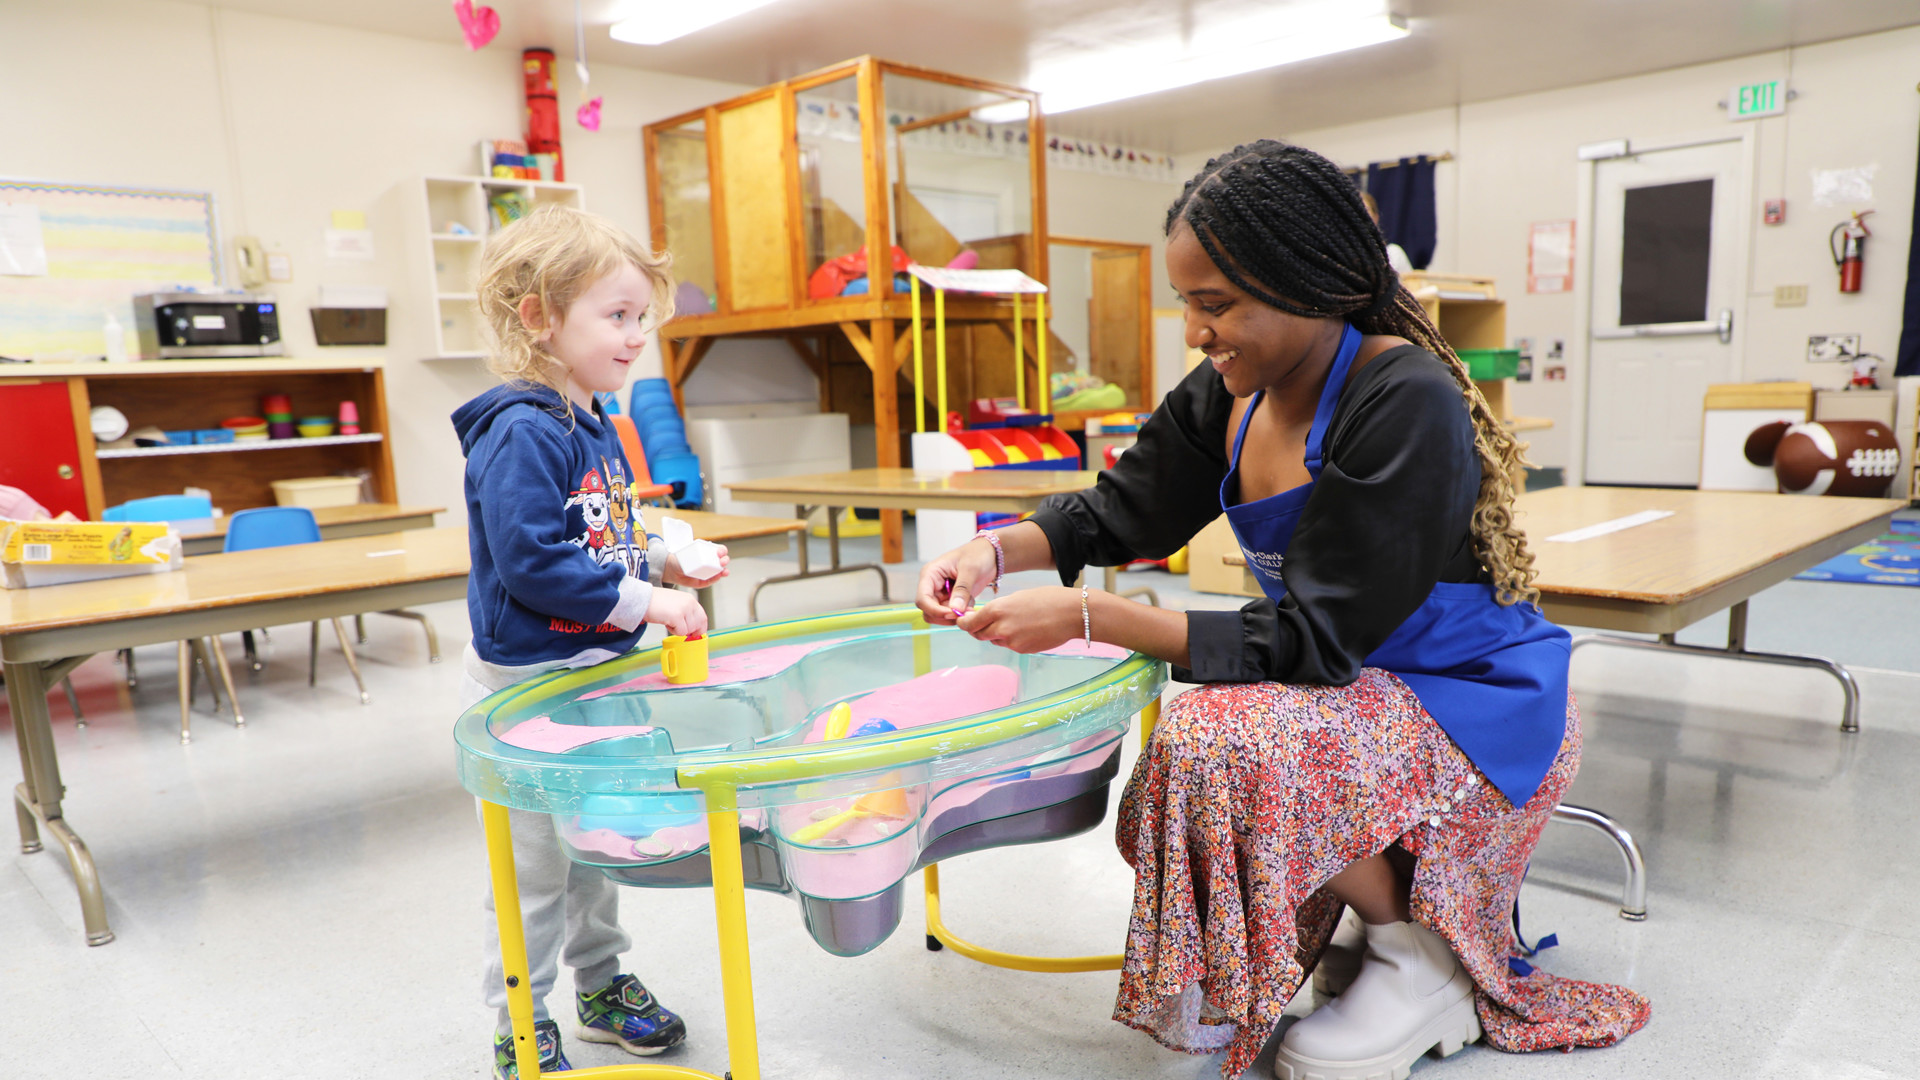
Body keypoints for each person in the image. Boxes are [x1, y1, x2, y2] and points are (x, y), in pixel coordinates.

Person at [915, 142, 1648, 1080]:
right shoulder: (1230, 396)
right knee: (1220, 732)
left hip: (1476, 704)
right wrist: (992, 549)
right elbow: (1118, 510)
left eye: (1216, 305)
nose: (1193, 331)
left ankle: (1420, 958)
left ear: (1311, 285)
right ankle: (1371, 928)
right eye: (1187, 302)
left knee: (1226, 738)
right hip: (1360, 683)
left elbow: (1312, 638)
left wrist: (1094, 616)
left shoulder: (1402, 399)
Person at [452, 204, 729, 1079]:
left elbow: (598, 537)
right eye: (616, 316)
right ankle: (521, 1020)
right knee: (534, 872)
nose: (637, 334)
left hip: (587, 676)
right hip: (527, 689)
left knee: (593, 850)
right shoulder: (522, 432)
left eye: (641, 315)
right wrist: (648, 601)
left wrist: (663, 553)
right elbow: (533, 564)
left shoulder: (594, 420)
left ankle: (601, 984)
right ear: (538, 317)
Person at [1361, 191, 1416, 275]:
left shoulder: (1394, 255)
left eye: (1366, 210)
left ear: (1376, 217)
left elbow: (1411, 284)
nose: (1360, 217)